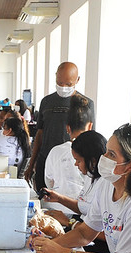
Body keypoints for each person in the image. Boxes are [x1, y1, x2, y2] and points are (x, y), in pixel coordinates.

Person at [30, 124, 131, 253]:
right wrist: (45, 246)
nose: (103, 158)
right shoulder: (106, 185)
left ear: (130, 165)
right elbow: (84, 234)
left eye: (111, 154)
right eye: (105, 152)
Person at [24, 62, 94, 192]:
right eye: (59, 82)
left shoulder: (85, 104)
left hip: (72, 164)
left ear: (77, 80)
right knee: (44, 197)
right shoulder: (46, 101)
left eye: (68, 84)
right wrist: (32, 163)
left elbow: (90, 137)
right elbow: (39, 134)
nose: (63, 87)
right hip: (45, 159)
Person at [41, 94, 92, 225]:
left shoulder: (56, 151)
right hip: (83, 215)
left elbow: (49, 183)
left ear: (68, 128)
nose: (76, 164)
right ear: (90, 126)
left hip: (59, 212)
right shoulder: (96, 155)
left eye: (78, 161)